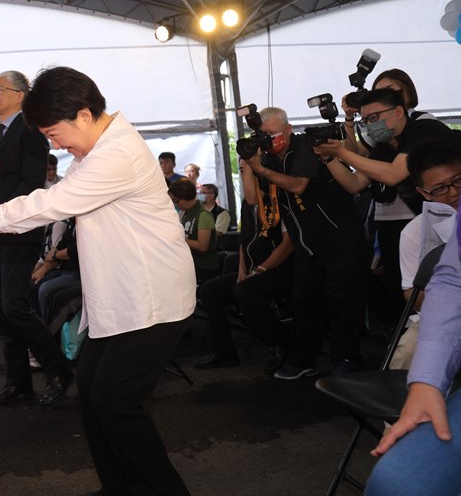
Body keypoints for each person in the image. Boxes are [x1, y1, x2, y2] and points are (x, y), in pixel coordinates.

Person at [0, 66, 195, 496]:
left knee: (116, 402)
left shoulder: (116, 154)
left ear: (83, 116)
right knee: (92, 391)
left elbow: (52, 203)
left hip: (151, 300)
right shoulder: (96, 150)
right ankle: (119, 486)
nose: (54, 144)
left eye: (53, 133)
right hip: (122, 297)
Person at [318, 87, 461, 329]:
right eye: (365, 121)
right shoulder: (384, 149)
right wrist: (328, 157)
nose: (371, 125)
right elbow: (354, 184)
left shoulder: (424, 129)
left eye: (375, 117)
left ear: (398, 111)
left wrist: (341, 150)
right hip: (437, 222)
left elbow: (394, 175)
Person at [244, 106, 367, 379]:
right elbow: (253, 200)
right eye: (263, 135)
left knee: (342, 302)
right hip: (306, 243)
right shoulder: (268, 157)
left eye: (272, 134)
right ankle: (303, 360)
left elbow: (298, 185)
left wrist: (260, 169)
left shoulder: (304, 145)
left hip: (339, 237)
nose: (269, 140)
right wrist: (251, 166)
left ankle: (346, 358)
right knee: (303, 302)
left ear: (287, 129)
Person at [0, 69, 72, 406]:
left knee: (16, 305)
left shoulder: (31, 131)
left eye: (1, 87)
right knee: (2, 310)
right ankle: (17, 382)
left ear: (20, 94)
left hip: (18, 231)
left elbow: (31, 183)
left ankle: (58, 369)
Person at [366, 209, 461, 496]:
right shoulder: (414, 230)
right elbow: (454, 280)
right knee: (397, 482)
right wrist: (427, 381)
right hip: (435, 331)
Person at [193, 164, 294, 372]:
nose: (243, 173)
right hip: (254, 269)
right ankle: (224, 353)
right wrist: (242, 270)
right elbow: (244, 242)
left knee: (245, 290)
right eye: (240, 169)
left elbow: (288, 244)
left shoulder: (280, 198)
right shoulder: (247, 205)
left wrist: (260, 270)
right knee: (210, 290)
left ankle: (279, 342)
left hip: (282, 270)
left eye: (247, 168)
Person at [389, 142, 461, 370]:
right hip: (443, 316)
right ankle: (405, 404)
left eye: (458, 181)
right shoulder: (414, 232)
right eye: (439, 189)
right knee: (409, 350)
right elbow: (412, 294)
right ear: (422, 193)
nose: (453, 193)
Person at [169, 178, 219, 283]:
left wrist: (179, 239)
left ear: (185, 198)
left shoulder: (203, 215)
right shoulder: (187, 213)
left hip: (205, 266)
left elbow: (202, 246)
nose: (176, 205)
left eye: (176, 201)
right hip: (191, 263)